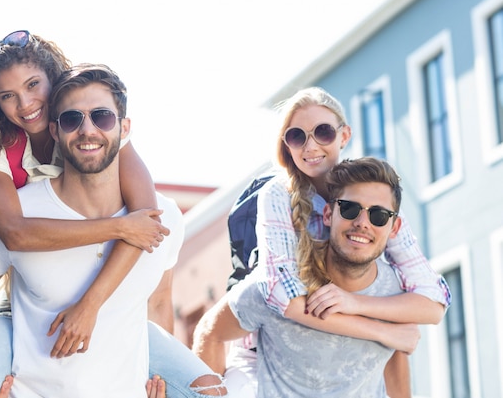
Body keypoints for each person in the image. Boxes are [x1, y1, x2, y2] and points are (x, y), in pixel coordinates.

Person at [0, 32, 225, 397]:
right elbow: (15, 233)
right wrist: (116, 227)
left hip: (110, 313)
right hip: (20, 296)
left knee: (206, 389)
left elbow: (146, 222)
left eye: (33, 85)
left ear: (53, 79)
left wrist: (90, 306)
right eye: (8, 96)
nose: (26, 103)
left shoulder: (93, 124)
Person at [193, 87, 450, 398]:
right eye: (297, 136)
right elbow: (282, 298)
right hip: (265, 349)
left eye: (323, 132)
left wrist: (355, 302)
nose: (311, 146)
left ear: (345, 135)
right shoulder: (277, 195)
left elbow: (433, 300)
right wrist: (384, 331)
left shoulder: (372, 199)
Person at [212, 157, 422, 397]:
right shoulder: (282, 283)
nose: (362, 223)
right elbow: (211, 334)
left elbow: (395, 356)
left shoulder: (395, 291)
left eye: (379, 215)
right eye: (349, 208)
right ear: (328, 214)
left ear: (394, 228)